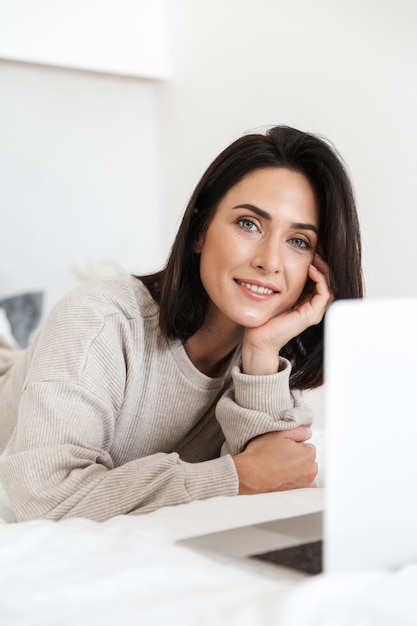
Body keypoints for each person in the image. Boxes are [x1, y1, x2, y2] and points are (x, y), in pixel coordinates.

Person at [0, 125, 363, 522]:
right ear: (198, 231)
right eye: (249, 224)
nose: (270, 262)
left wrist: (262, 354)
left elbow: (278, 479)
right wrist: (232, 477)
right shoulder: (101, 319)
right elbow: (42, 498)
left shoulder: (265, 355)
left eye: (299, 242)